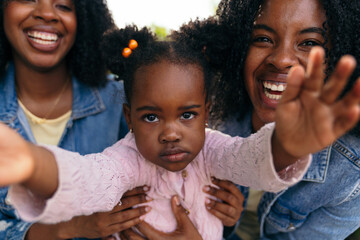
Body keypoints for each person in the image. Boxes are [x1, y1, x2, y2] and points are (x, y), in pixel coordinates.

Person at [1, 23, 360, 240]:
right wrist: (34, 164)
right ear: (129, 117)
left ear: (207, 112)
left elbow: (249, 160)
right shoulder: (129, 159)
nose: (171, 133)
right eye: (151, 118)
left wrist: (284, 147)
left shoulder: (214, 148)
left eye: (187, 115)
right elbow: (92, 178)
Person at [181, 0, 360, 239]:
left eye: (309, 43)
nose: (281, 58)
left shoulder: (351, 172)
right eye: (263, 38)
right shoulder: (203, 111)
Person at [0, 0, 151, 239]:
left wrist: (221, 209)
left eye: (63, 5)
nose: (47, 13)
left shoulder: (121, 99)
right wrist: (69, 228)